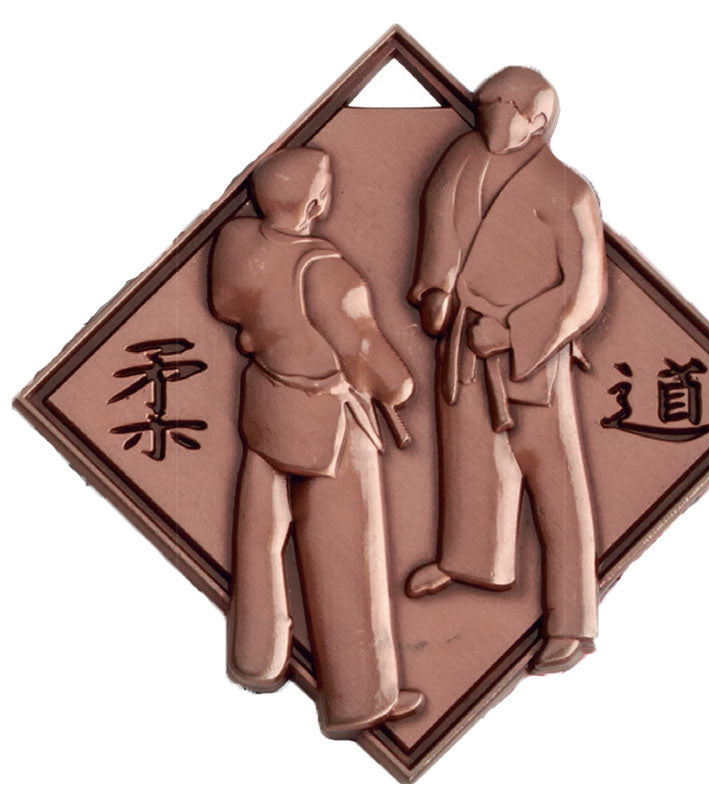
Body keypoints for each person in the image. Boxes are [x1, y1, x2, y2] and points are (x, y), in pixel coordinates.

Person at [209, 147, 424, 735]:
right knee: (345, 557)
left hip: (266, 404)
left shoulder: (235, 246)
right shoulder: (327, 271)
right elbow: (374, 362)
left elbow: (227, 307)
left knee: (259, 539)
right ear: (314, 203)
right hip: (328, 423)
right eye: (324, 186)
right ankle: (358, 698)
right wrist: (397, 385)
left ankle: (256, 658)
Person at [405, 67, 608, 674]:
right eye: (486, 103)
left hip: (532, 355)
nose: (491, 116)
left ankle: (572, 619)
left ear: (538, 121)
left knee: (554, 477)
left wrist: (515, 332)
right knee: (472, 457)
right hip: (465, 341)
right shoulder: (461, 159)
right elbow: (440, 223)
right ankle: (473, 562)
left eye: (507, 108)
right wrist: (435, 288)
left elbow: (585, 291)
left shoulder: (568, 192)